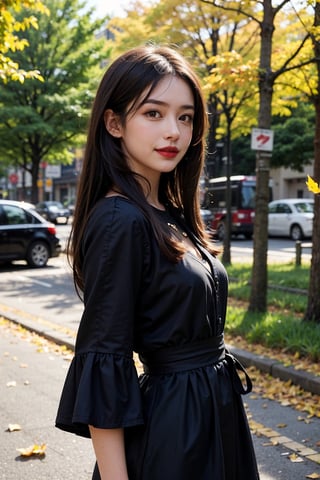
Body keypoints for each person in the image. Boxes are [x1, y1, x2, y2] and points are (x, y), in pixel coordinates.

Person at [55, 45, 260, 480]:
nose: (174, 132)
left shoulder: (164, 211)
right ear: (114, 123)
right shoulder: (119, 220)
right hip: (173, 435)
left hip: (213, 420)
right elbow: (103, 360)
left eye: (185, 117)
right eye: (153, 113)